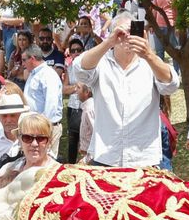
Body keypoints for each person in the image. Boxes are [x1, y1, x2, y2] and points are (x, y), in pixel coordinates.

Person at [70, 12, 179, 167]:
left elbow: (171, 85)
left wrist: (148, 54)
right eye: (121, 33)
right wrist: (108, 42)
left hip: (143, 158)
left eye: (132, 32)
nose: (127, 37)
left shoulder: (150, 63)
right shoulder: (101, 62)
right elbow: (79, 70)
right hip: (106, 157)